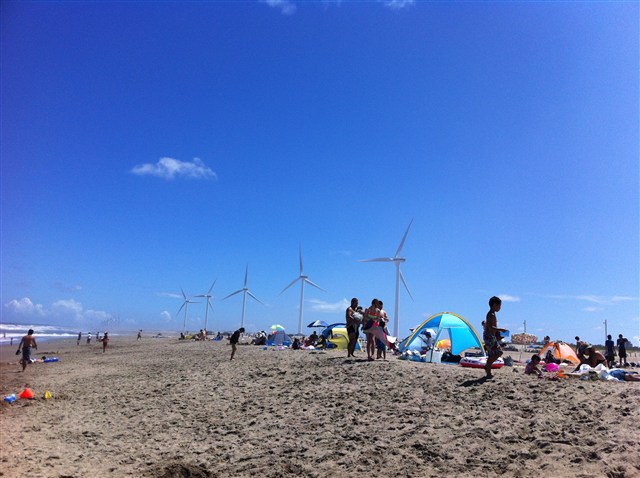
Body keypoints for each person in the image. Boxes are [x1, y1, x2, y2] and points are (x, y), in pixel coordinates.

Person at [483, 296, 507, 378]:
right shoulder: (491, 314)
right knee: (498, 352)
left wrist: (498, 334)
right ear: (494, 305)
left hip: (491, 336)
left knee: (493, 354)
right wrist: (501, 329)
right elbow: (491, 328)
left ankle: (488, 371)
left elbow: (493, 328)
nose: (500, 307)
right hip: (489, 336)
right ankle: (487, 366)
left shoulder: (492, 314)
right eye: (499, 305)